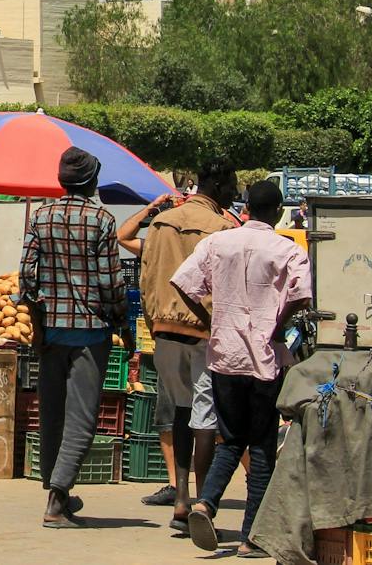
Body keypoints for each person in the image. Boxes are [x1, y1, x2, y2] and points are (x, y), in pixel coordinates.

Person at [175, 179, 311, 557]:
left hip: (224, 357)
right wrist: (278, 324)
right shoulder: (288, 250)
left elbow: (184, 283)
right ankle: (252, 537)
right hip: (265, 361)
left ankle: (206, 503)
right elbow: (301, 296)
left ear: (247, 207)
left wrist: (210, 315)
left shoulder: (217, 243)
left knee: (230, 439)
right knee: (263, 446)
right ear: (280, 211)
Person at [18, 147, 126, 529]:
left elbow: (26, 276)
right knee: (81, 418)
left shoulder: (41, 216)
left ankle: (57, 489)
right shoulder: (102, 219)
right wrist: (121, 320)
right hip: (90, 333)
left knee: (51, 414)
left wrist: (36, 321)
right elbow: (110, 281)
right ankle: (57, 498)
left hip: (49, 331)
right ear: (92, 182)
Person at [117, 176, 233, 530]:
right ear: (220, 187)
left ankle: (181, 497)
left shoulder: (163, 224)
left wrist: (154, 322)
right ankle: (202, 502)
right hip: (205, 332)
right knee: (205, 418)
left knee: (181, 414)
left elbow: (146, 274)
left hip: (166, 330)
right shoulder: (223, 228)